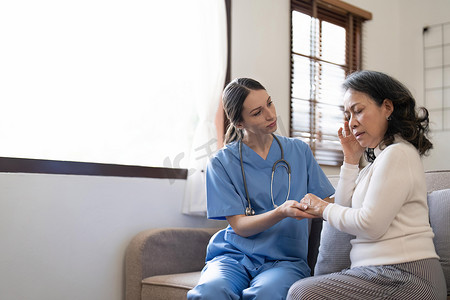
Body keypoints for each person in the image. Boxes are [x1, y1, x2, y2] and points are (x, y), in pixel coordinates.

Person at [287, 70, 447, 299]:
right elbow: (344, 208)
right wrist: (351, 160)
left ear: (387, 107)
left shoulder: (398, 154)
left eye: (358, 111)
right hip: (381, 273)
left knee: (302, 293)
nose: (352, 123)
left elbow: (370, 225)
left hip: (407, 275)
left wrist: (322, 208)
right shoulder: (379, 161)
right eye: (348, 115)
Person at [187, 78, 335, 300]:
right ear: (239, 123)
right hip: (233, 256)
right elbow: (240, 226)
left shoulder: (299, 152)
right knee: (210, 292)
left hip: (285, 260)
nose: (270, 115)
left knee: (268, 293)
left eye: (269, 103)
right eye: (257, 112)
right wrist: (281, 211)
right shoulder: (221, 162)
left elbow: (327, 206)